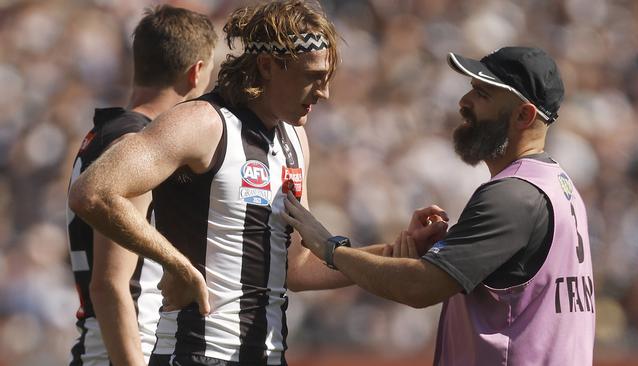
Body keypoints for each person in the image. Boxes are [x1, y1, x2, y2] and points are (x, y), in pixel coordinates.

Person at [69, 1, 448, 365]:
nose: (325, 92)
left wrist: (394, 251)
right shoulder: (202, 122)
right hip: (195, 355)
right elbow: (93, 191)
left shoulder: (295, 139)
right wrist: (178, 265)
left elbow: (294, 267)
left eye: (328, 78)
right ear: (267, 66)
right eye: (312, 77)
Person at [282, 46, 595, 365]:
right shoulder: (557, 184)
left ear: (524, 115)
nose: (464, 102)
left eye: (483, 94)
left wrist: (329, 248)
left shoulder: (514, 195)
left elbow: (418, 287)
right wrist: (436, 252)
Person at [66, 5, 218, 365]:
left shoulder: (106, 133)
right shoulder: (134, 144)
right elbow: (110, 283)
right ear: (196, 73)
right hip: (121, 351)